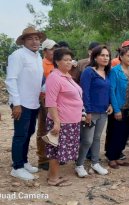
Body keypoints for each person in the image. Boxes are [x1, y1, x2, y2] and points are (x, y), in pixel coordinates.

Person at [5, 26, 46, 180]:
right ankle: (17, 167)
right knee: (20, 135)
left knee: (29, 133)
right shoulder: (18, 55)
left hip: (33, 102)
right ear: (23, 41)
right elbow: (11, 79)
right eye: (30, 38)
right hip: (21, 103)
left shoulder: (38, 56)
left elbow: (39, 79)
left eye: (36, 38)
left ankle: (24, 161)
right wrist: (16, 103)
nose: (34, 41)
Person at [44, 48, 83, 186]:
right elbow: (50, 102)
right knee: (56, 149)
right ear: (57, 61)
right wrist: (56, 122)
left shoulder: (67, 76)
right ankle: (53, 179)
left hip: (71, 121)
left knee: (60, 149)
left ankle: (52, 175)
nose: (68, 62)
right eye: (65, 60)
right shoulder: (54, 77)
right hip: (61, 121)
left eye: (70, 60)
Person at [75, 45, 113, 177]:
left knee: (97, 139)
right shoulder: (88, 72)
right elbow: (84, 92)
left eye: (107, 55)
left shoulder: (108, 73)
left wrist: (110, 104)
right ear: (95, 57)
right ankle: (79, 164)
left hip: (103, 112)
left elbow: (108, 91)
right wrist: (88, 112)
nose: (105, 58)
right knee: (87, 140)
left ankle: (95, 163)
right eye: (102, 55)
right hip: (91, 112)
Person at [105, 47, 129, 168]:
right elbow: (111, 91)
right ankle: (111, 157)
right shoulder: (115, 71)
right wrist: (117, 109)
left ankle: (118, 155)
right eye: (128, 55)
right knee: (115, 132)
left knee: (125, 133)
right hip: (119, 107)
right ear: (121, 57)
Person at [36, 39, 59, 171]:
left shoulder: (58, 63)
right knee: (43, 129)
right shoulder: (41, 65)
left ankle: (54, 157)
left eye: (55, 48)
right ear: (44, 51)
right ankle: (42, 158)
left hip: (58, 101)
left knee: (55, 128)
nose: (54, 51)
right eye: (51, 49)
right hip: (45, 101)